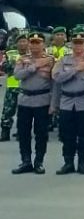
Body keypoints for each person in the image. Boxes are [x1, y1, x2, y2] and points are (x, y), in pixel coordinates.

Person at [50, 34, 84, 175]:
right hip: (67, 102)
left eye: (81, 43)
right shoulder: (63, 60)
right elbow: (57, 79)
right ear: (71, 44)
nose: (78, 46)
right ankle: (68, 163)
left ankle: (83, 163)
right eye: (75, 43)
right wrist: (76, 69)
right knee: (67, 135)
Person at [11, 33, 54, 175]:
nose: (35, 45)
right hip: (25, 100)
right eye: (32, 42)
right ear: (29, 44)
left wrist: (54, 103)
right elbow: (17, 75)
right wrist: (33, 66)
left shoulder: (50, 60)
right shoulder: (23, 59)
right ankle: (26, 161)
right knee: (23, 132)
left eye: (38, 42)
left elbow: (55, 82)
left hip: (42, 100)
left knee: (41, 133)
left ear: (44, 44)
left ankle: (39, 161)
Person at [1, 34, 29, 142]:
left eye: (24, 41)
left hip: (26, 87)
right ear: (16, 43)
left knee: (23, 112)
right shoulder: (10, 54)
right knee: (8, 110)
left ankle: (21, 132)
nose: (22, 44)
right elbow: (3, 67)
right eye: (20, 42)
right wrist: (12, 65)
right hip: (12, 86)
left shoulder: (31, 55)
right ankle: (5, 131)